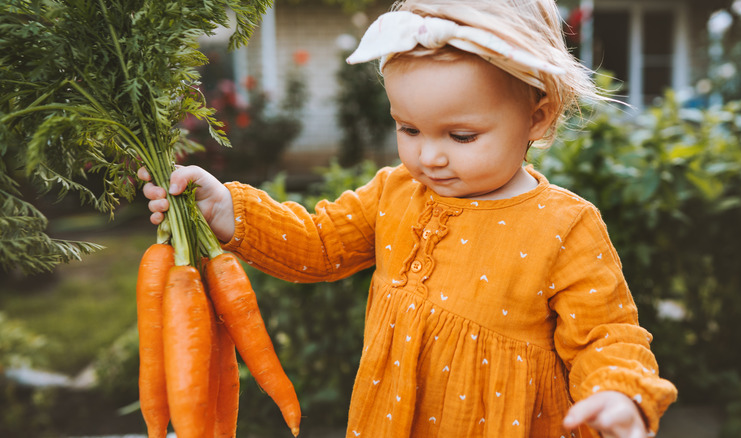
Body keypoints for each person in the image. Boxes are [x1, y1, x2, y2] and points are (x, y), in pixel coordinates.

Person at [140, 0, 677, 436]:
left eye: (461, 136)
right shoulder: (396, 191)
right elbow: (320, 244)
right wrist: (228, 210)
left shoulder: (564, 226)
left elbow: (606, 334)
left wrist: (617, 393)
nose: (429, 156)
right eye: (409, 129)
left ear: (537, 116)